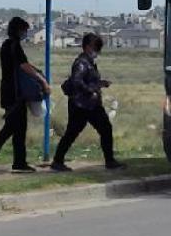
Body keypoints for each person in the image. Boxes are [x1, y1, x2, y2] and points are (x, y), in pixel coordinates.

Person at [0, 17, 51, 176]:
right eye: (24, 30)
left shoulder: (6, 45)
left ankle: (19, 162)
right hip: (15, 93)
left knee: (20, 128)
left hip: (10, 91)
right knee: (10, 128)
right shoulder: (14, 46)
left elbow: (24, 64)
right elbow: (24, 66)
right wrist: (42, 80)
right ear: (18, 30)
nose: (25, 33)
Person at [50, 33, 125, 172]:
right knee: (80, 131)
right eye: (96, 48)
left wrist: (100, 84)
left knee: (99, 129)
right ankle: (58, 161)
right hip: (82, 105)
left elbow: (88, 81)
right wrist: (92, 90)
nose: (97, 51)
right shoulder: (82, 63)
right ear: (88, 47)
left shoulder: (88, 63)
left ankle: (109, 160)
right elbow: (77, 81)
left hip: (89, 105)